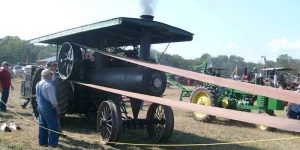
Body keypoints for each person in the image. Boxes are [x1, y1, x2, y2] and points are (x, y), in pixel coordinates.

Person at [36, 69, 59, 147]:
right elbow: (53, 100)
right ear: (48, 76)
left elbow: (37, 97)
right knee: (53, 125)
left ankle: (42, 142)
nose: (52, 76)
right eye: (51, 75)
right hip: (48, 108)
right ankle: (52, 144)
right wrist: (56, 108)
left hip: (40, 107)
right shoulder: (49, 85)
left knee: (42, 125)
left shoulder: (38, 84)